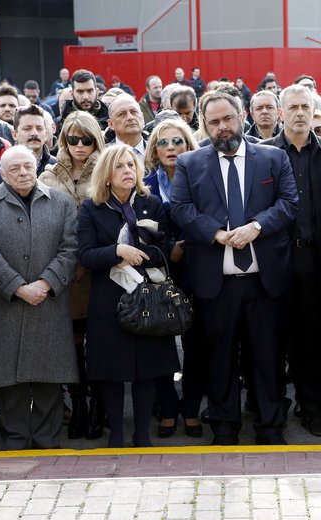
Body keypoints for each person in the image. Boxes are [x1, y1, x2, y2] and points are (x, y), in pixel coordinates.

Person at [170, 91, 298, 446]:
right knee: (220, 360)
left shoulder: (273, 158)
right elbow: (179, 208)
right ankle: (224, 428)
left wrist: (255, 227)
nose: (223, 127)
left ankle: (271, 428)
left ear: (242, 116)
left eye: (228, 119)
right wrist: (214, 232)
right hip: (215, 283)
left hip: (264, 282)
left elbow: (289, 203)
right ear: (205, 125)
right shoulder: (190, 163)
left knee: (268, 359)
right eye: (214, 122)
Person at [0, 145, 79, 450]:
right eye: (14, 168)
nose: (22, 172)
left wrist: (45, 284)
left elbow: (70, 249)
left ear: (37, 167)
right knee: (9, 380)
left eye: (28, 166)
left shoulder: (61, 202)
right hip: (6, 303)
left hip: (50, 302)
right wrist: (18, 287)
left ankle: (47, 441)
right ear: (2, 173)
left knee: (49, 377)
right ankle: (15, 441)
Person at [78, 144, 180, 447]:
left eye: (131, 165)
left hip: (148, 297)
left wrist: (142, 249)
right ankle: (118, 437)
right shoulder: (92, 208)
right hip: (109, 300)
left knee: (146, 370)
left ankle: (141, 435)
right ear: (107, 175)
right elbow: (85, 256)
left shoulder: (151, 204)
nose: (127, 171)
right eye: (120, 166)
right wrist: (116, 251)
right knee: (112, 371)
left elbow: (164, 250)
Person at [260, 84, 321, 437]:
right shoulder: (262, 153)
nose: (299, 113)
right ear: (281, 112)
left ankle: (311, 408)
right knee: (272, 337)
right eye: (292, 106)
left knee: (311, 337)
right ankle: (272, 408)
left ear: (315, 111)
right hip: (274, 259)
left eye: (305, 107)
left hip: (316, 258)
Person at [39, 111, 105, 440]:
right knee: (73, 344)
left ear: (96, 139)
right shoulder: (49, 175)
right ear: (63, 139)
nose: (80, 146)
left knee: (102, 343)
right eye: (72, 139)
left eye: (87, 139)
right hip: (64, 273)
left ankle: (98, 406)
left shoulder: (107, 168)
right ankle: (78, 403)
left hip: (100, 271)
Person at [141, 118, 202, 438]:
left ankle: (191, 408)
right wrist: (168, 251)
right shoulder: (145, 183)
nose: (171, 148)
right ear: (154, 149)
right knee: (160, 342)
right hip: (158, 272)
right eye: (163, 142)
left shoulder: (201, 176)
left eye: (177, 141)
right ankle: (168, 407)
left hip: (199, 269)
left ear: (189, 145)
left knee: (196, 343)